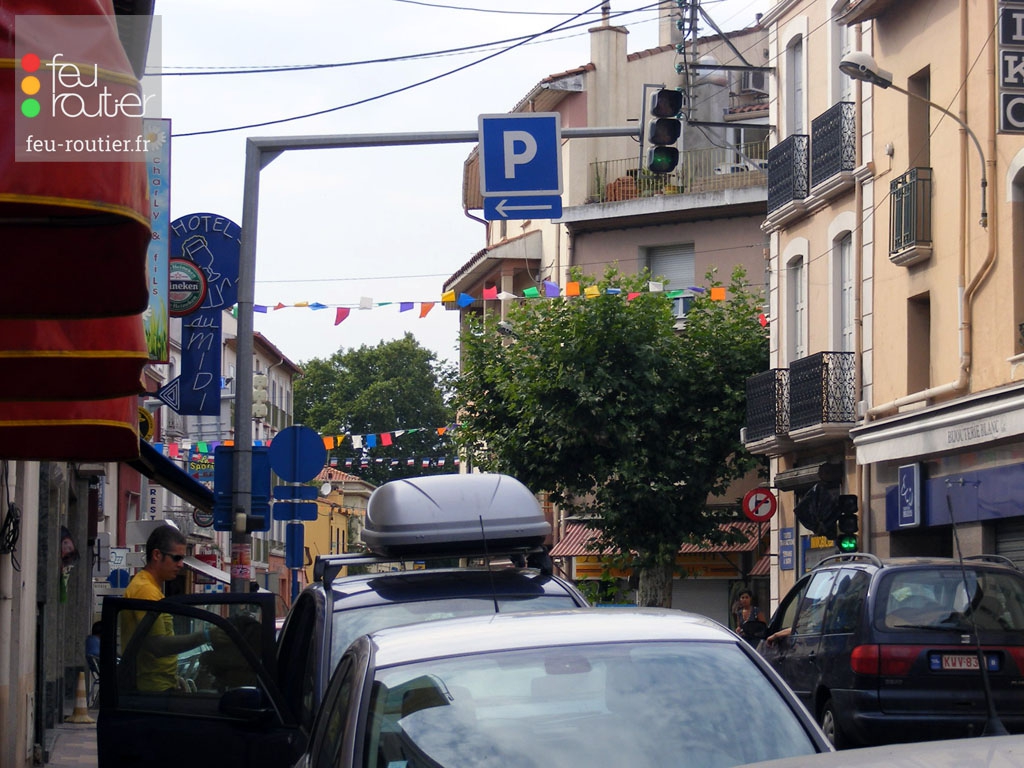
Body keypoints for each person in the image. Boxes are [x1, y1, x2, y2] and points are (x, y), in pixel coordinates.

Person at [120, 524, 209, 692]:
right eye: (176, 558)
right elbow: (158, 645)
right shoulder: (146, 590)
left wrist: (173, 678)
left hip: (157, 685)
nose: (181, 564)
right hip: (151, 689)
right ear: (157, 555)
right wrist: (204, 636)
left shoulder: (150, 587)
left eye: (182, 559)